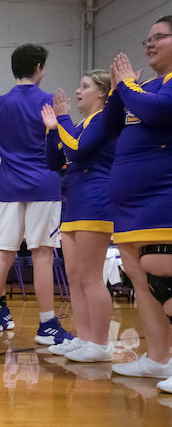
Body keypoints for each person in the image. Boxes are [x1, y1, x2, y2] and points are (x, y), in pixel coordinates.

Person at [0, 45, 72, 345]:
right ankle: (47, 326)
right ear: (38, 67)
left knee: (3, 255)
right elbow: (65, 147)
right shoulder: (49, 102)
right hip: (44, 188)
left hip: (9, 190)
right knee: (42, 255)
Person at [101, 16, 172, 389]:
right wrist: (119, 90)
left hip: (162, 198)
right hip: (128, 208)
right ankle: (159, 359)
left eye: (159, 36)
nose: (150, 43)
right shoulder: (141, 88)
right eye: (148, 38)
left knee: (164, 281)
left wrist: (128, 85)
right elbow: (109, 127)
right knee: (140, 283)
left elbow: (159, 112)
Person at [41, 70, 115, 362]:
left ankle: (100, 344)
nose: (78, 91)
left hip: (95, 201)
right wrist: (52, 129)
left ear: (102, 92)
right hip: (73, 203)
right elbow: (54, 161)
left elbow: (76, 149)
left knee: (91, 277)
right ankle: (84, 338)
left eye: (85, 86)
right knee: (74, 276)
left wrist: (62, 119)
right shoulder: (80, 124)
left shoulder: (104, 119)